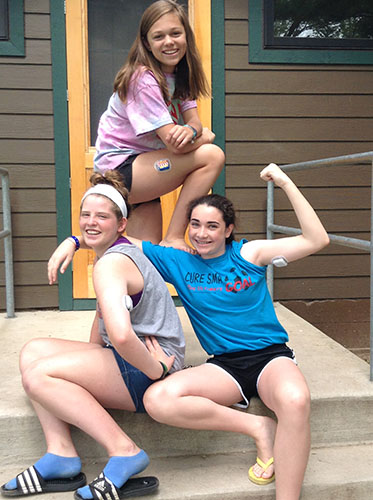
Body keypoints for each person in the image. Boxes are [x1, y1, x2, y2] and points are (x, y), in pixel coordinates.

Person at [48, 163, 330, 500]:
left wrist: (284, 182)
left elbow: (317, 239)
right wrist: (74, 240)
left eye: (212, 226)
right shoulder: (178, 261)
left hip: (269, 358)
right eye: (195, 224)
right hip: (223, 365)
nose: (201, 233)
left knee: (296, 400)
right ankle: (261, 427)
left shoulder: (249, 254)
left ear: (228, 230)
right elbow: (117, 237)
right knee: (158, 399)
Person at [1, 171, 185, 499]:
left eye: (102, 216)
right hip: (133, 358)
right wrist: (72, 241)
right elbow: (105, 320)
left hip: (151, 367)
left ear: (122, 224)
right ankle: (61, 454)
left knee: (38, 376)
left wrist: (158, 370)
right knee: (32, 351)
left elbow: (124, 336)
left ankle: (125, 450)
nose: (90, 223)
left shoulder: (110, 265)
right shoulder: (118, 251)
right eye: (85, 215)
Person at [94, 0, 225, 249]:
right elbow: (175, 147)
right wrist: (204, 138)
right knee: (212, 155)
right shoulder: (143, 79)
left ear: (186, 36)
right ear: (146, 43)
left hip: (144, 172)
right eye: (159, 36)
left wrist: (191, 130)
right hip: (120, 171)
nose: (169, 42)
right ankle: (175, 236)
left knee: (144, 261)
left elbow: (194, 120)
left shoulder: (179, 75)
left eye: (176, 33)